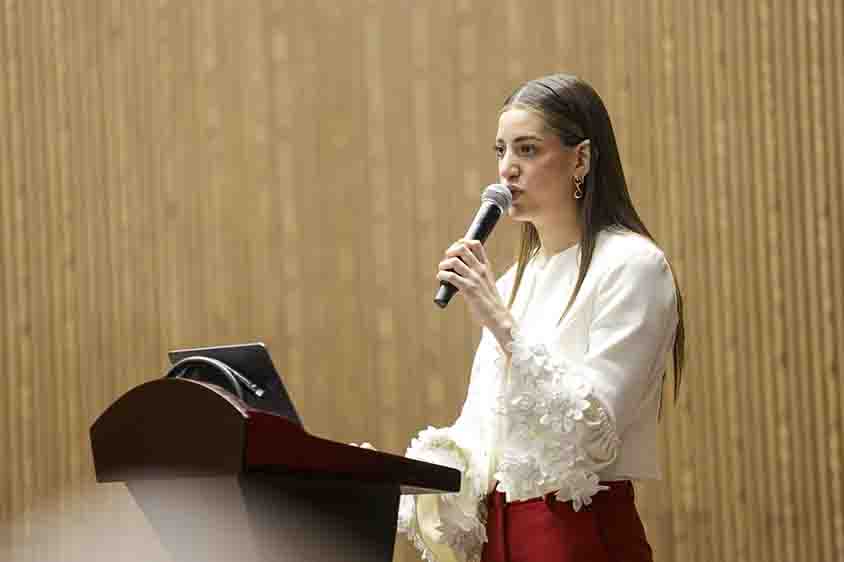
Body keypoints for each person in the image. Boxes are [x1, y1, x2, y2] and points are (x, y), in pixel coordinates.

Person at [381, 73, 686, 562]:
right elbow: (486, 436)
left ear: (580, 158)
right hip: (500, 539)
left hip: (579, 535)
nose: (507, 171)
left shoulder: (634, 266)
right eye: (500, 151)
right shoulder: (510, 283)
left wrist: (502, 324)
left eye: (527, 150)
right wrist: (400, 471)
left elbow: (593, 433)